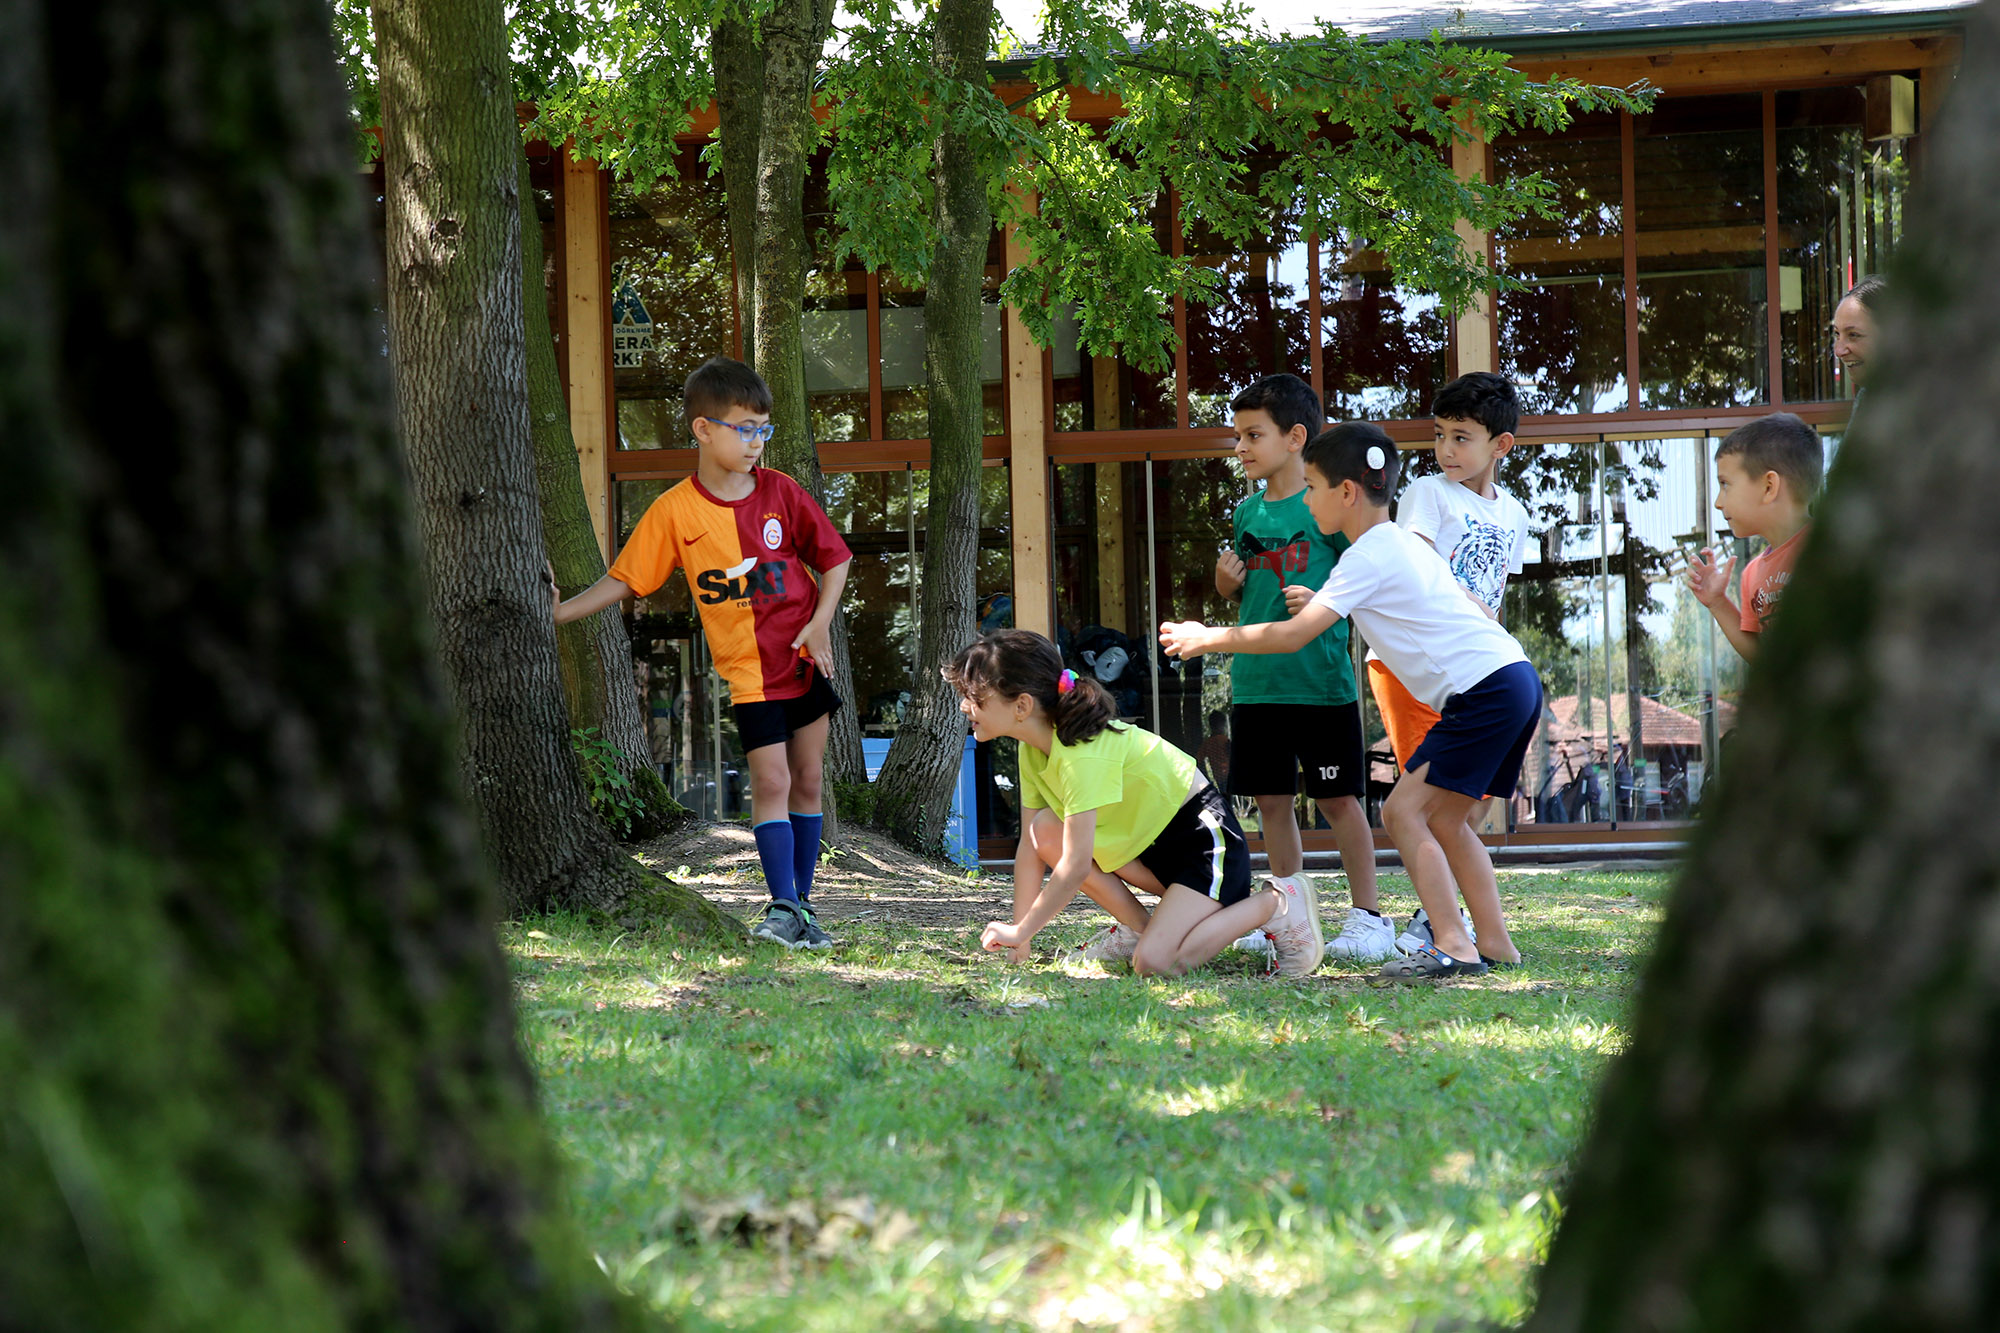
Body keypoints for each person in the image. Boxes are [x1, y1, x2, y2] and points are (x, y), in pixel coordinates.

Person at [1161, 422, 1537, 979]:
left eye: (1311, 486)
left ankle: (1454, 945)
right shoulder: (1397, 544)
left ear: (1346, 492)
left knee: (1403, 811)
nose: (1306, 498)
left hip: (1483, 691)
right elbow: (1446, 603)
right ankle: (1497, 944)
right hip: (1514, 677)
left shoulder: (1365, 555)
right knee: (1448, 821)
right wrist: (1323, 599)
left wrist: (1205, 637)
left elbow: (1291, 636)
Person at [555, 357, 853, 950]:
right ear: (703, 429)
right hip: (749, 674)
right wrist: (559, 613)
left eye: (763, 429)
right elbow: (625, 579)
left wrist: (820, 624)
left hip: (804, 661)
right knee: (771, 780)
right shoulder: (674, 511)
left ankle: (804, 910)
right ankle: (782, 905)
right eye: (745, 428)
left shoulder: (782, 493)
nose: (757, 442)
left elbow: (837, 559)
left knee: (809, 778)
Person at [946, 630, 1326, 978]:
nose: (965, 707)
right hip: (1150, 854)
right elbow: (1032, 850)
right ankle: (1143, 931)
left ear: (1021, 705)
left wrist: (1021, 929)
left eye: (975, 697)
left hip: (1204, 846)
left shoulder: (1082, 754)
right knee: (1043, 830)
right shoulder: (1033, 750)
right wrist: (1021, 942)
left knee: (1158, 965)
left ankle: (1277, 902)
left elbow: (1076, 867)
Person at [1213, 373, 1387, 962]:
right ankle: (1294, 920)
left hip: (1323, 687)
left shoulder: (1330, 512)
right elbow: (1244, 600)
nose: (1239, 447)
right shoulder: (1245, 513)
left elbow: (1362, 588)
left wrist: (1320, 600)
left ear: (1294, 438)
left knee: (1341, 803)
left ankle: (1368, 916)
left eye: (1251, 434)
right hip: (1257, 685)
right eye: (1236, 435)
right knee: (1270, 804)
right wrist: (1222, 582)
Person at [1365, 371, 1533, 957]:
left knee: (1452, 810)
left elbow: (1494, 594)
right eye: (1439, 435)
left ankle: (1461, 927)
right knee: (1421, 807)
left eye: (1461, 437)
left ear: (1500, 444)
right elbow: (1420, 574)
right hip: (1415, 667)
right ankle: (1441, 925)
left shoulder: (1514, 515)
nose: (1445, 450)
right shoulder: (1427, 495)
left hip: (1479, 671)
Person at [1683, 413, 1822, 662]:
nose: (1717, 502)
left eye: (1725, 484)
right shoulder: (1752, 574)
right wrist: (1717, 602)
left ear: (1769, 487)